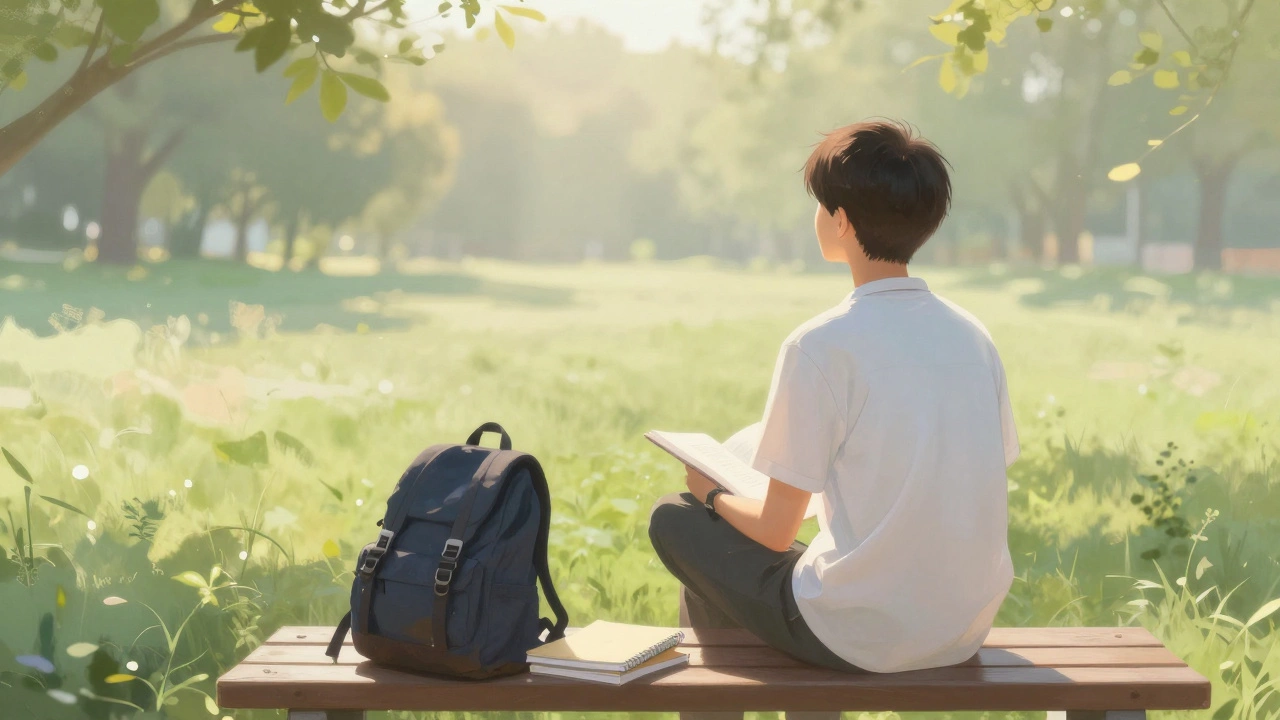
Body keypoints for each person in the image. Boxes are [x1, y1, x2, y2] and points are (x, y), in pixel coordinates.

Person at [648, 120, 1020, 717]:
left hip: (865, 633)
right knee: (779, 561)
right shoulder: (974, 338)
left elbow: (773, 531)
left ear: (842, 220)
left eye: (821, 206)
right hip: (959, 628)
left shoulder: (821, 344)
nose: (817, 217)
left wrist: (711, 494)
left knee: (676, 518)